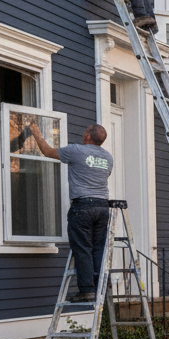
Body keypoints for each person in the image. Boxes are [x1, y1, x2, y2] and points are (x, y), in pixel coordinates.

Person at [29, 122, 114, 302]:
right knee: (98, 248)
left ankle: (87, 290)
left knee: (83, 248)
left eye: (84, 131)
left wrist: (36, 134)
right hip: (102, 206)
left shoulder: (76, 150)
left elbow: (47, 152)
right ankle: (103, 286)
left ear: (87, 136)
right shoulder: (108, 157)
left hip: (83, 206)